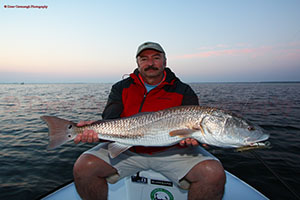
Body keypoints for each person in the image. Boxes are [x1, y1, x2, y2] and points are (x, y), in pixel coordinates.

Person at [73, 42, 226, 200]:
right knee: (84, 167)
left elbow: (193, 126)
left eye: (156, 58)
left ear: (164, 62)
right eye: (144, 59)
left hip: (172, 150)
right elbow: (111, 118)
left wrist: (195, 139)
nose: (150, 63)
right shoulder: (121, 87)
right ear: (138, 63)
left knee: (213, 173)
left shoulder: (183, 90)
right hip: (128, 149)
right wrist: (93, 129)